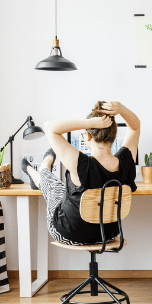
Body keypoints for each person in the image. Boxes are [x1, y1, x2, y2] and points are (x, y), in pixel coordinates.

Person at [22, 101, 140, 245]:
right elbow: (135, 128)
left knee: (55, 188)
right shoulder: (126, 163)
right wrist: (121, 108)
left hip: (69, 235)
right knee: (61, 189)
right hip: (108, 235)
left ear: (88, 137)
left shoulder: (81, 164)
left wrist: (89, 123)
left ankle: (43, 167)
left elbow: (49, 127)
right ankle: (42, 171)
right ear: (114, 136)